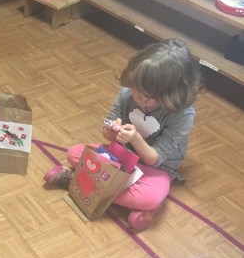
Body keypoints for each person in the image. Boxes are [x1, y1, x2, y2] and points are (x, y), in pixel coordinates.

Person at [43, 38, 201, 231]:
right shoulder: (128, 93)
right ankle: (99, 187)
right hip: (121, 157)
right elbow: (108, 129)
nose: (136, 95)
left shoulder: (182, 114)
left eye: (145, 95)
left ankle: (79, 182)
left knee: (150, 196)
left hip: (156, 169)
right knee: (74, 153)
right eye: (134, 88)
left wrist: (135, 139)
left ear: (170, 95)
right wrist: (110, 130)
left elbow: (154, 159)